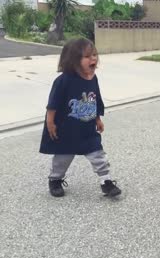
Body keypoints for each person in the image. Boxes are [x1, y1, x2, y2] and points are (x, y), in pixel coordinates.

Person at [39, 38, 121, 198]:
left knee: (98, 155)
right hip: (66, 130)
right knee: (62, 158)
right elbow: (52, 104)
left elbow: (95, 100)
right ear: (73, 60)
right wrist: (50, 123)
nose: (94, 59)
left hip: (87, 129)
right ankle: (55, 180)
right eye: (88, 56)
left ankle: (106, 182)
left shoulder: (93, 78)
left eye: (95, 55)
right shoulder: (63, 81)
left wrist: (97, 118)